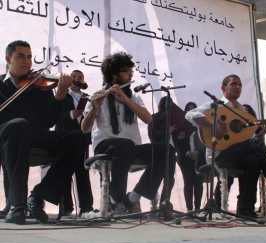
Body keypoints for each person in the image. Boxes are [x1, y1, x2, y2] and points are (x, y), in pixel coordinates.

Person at [185, 74, 266, 217]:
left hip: (239, 154)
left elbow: (252, 140)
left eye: (240, 84)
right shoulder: (214, 106)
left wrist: (265, 130)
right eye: (234, 84)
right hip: (220, 154)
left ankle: (245, 208)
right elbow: (190, 114)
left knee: (253, 158)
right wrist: (212, 124)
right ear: (224, 88)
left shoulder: (242, 112)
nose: (238, 87)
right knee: (255, 148)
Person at [0, 40, 95, 224]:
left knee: (77, 138)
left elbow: (49, 121)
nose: (27, 61)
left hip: (35, 135)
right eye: (21, 56)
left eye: (29, 57)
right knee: (19, 125)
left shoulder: (39, 85)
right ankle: (17, 206)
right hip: (7, 137)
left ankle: (38, 196)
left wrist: (60, 93)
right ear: (8, 59)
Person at [81, 52, 175, 216]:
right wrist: (95, 108)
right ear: (114, 74)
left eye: (132, 71)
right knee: (124, 145)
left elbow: (147, 119)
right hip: (106, 145)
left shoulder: (133, 97)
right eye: (127, 71)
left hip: (131, 147)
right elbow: (85, 129)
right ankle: (115, 200)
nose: (131, 75)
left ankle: (133, 197)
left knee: (166, 149)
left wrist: (125, 99)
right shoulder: (98, 95)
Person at [55, 70, 92, 216]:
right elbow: (55, 116)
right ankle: (66, 206)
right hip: (65, 138)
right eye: (74, 77)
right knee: (65, 172)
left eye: (80, 77)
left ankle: (86, 206)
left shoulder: (88, 98)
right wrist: (72, 114)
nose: (77, 79)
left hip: (82, 139)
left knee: (83, 172)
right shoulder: (62, 94)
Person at [176, 102, 205, 212]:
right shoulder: (182, 126)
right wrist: (188, 151)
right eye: (188, 109)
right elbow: (179, 145)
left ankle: (197, 208)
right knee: (188, 183)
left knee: (198, 184)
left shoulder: (201, 126)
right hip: (185, 160)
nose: (190, 111)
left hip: (200, 159)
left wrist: (197, 153)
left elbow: (205, 144)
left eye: (193, 109)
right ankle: (189, 209)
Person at [147, 96, 176, 204]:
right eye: (167, 103)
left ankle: (164, 202)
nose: (169, 106)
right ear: (162, 105)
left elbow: (174, 137)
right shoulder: (154, 117)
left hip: (172, 151)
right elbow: (152, 135)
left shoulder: (174, 119)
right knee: (157, 178)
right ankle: (153, 203)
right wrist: (167, 130)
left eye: (172, 104)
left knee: (170, 179)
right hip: (159, 151)